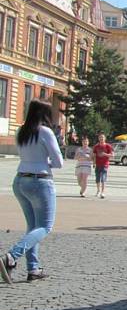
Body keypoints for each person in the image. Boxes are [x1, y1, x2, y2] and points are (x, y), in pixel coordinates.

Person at [1, 99, 63, 284]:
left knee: (33, 227)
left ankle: (33, 268)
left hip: (20, 180)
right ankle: (11, 257)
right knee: (45, 226)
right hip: (40, 181)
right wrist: (45, 162)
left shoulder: (21, 131)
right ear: (44, 115)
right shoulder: (45, 132)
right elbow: (58, 162)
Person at [92, 133, 113, 198]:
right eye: (100, 137)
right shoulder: (96, 146)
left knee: (103, 178)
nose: (101, 139)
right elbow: (94, 156)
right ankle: (98, 191)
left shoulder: (108, 146)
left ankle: (103, 192)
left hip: (105, 164)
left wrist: (105, 154)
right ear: (98, 138)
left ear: (105, 138)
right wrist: (94, 163)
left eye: (102, 137)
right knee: (97, 178)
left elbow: (112, 155)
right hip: (98, 164)